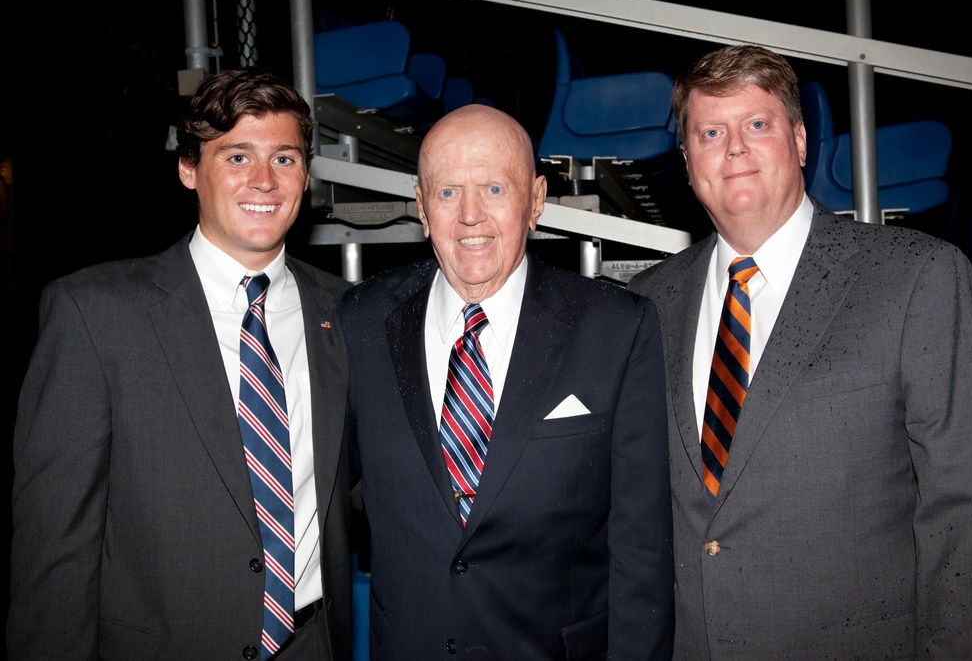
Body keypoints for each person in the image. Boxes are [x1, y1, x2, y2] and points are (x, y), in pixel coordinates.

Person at [629, 44, 972, 658]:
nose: (735, 148)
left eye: (757, 124)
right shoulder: (648, 303)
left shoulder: (915, 278)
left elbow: (970, 514)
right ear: (689, 161)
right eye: (710, 132)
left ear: (800, 142)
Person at [8, 68, 354, 660]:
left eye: (286, 159)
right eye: (237, 156)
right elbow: (54, 549)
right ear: (189, 169)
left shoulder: (347, 313)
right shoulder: (94, 315)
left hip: (313, 645)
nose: (264, 181)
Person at [339, 104, 674, 659]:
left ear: (536, 200)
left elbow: (641, 549)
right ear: (421, 206)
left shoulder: (617, 328)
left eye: (495, 188)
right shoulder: (360, 320)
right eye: (448, 192)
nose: (470, 215)